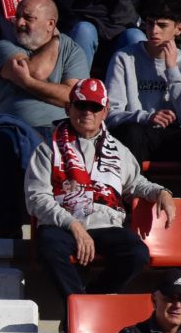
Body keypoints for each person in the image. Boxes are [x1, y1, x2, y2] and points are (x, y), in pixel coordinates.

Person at [23, 78, 171, 298]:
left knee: (137, 253)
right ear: (68, 107)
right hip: (63, 226)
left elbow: (136, 182)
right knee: (49, 248)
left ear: (105, 111)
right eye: (81, 105)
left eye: (95, 106)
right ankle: (78, 306)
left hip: (106, 225)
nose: (87, 112)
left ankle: (90, 301)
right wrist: (72, 224)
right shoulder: (48, 149)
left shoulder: (118, 150)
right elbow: (36, 198)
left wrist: (161, 192)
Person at [0, 0, 90, 233]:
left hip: (59, 131)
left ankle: (58, 231)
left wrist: (28, 83)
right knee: (0, 139)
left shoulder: (71, 50)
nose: (19, 22)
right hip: (16, 129)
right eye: (18, 16)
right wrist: (53, 46)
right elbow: (37, 71)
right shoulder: (4, 47)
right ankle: (6, 228)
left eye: (28, 18)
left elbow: (71, 96)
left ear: (50, 24)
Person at [107, 0, 181, 173]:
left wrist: (172, 70)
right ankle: (127, 198)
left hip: (175, 137)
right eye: (150, 23)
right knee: (132, 132)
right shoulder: (124, 58)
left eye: (162, 25)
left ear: (179, 29)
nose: (154, 30)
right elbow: (111, 115)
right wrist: (146, 117)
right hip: (140, 135)